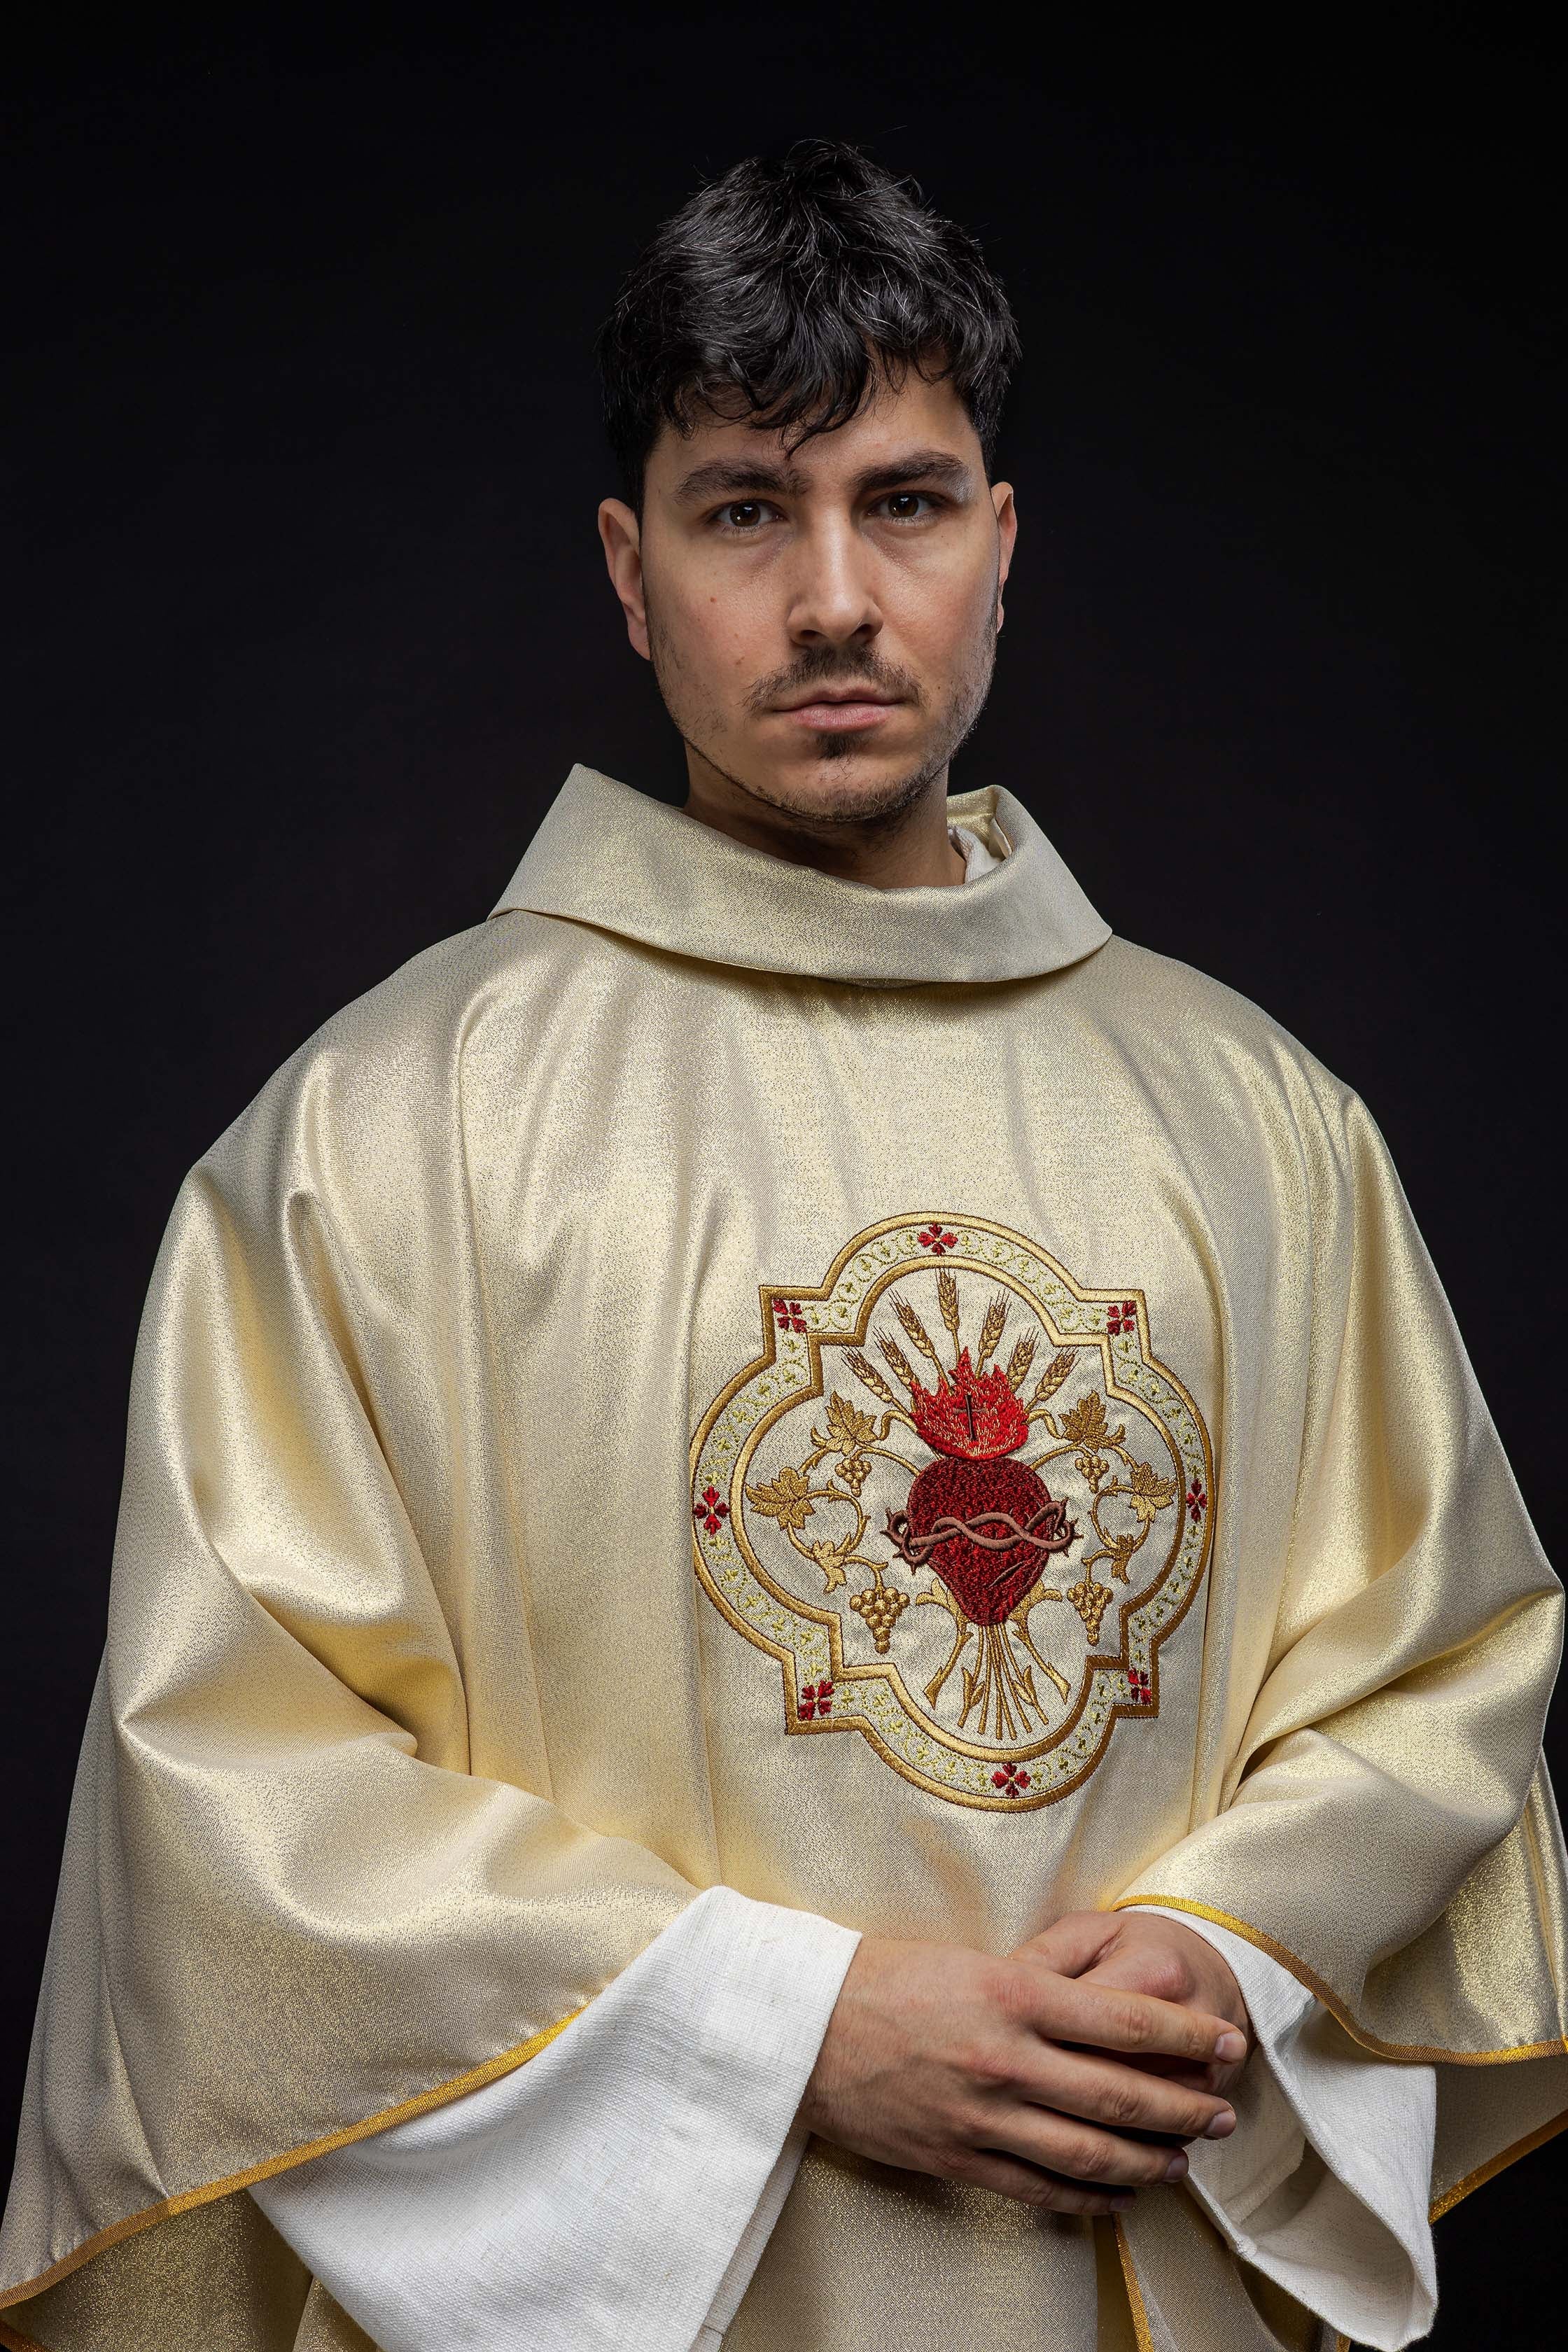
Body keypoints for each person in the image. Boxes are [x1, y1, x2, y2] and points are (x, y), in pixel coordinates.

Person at [1, 139, 1562, 2352]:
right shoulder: (387, 1133)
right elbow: (234, 1792)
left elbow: (1437, 1658)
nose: (837, 597)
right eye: (750, 510)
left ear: (1001, 548)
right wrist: (789, 2032)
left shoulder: (1264, 1127)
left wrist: (1236, 1944)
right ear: (632, 574)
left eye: (905, 503)